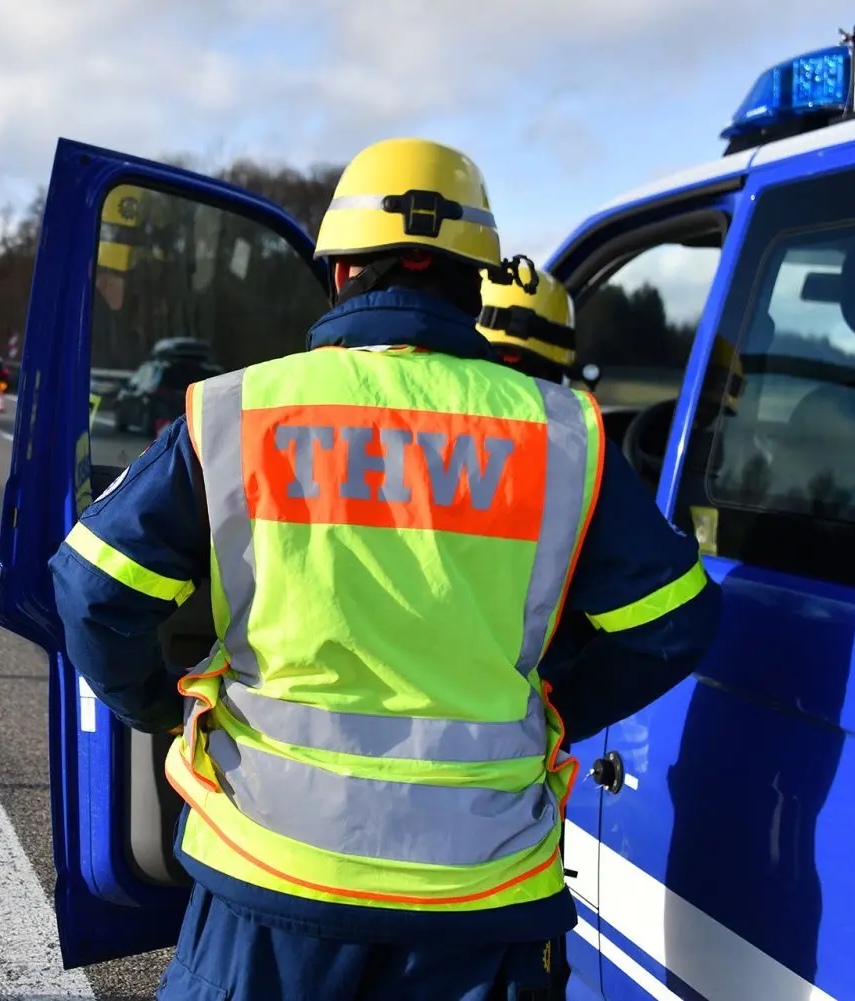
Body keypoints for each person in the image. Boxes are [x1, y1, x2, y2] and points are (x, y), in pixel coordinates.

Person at [48, 137, 723, 1001]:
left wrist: (160, 701)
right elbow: (679, 621)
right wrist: (558, 705)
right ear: (476, 285)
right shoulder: (561, 436)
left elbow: (90, 590)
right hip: (483, 894)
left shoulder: (240, 410)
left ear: (339, 274)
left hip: (268, 874)